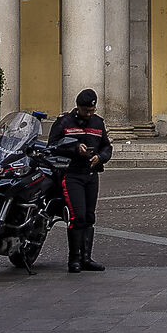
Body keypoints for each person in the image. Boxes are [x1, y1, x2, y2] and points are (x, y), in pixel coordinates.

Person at [48, 88, 113, 273]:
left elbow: (107, 146)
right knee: (77, 216)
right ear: (78, 107)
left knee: (90, 217)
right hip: (71, 174)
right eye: (86, 111)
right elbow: (52, 145)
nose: (89, 114)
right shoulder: (64, 122)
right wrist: (75, 148)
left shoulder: (98, 123)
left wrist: (100, 157)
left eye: (92, 110)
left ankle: (86, 258)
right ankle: (74, 259)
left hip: (91, 174)